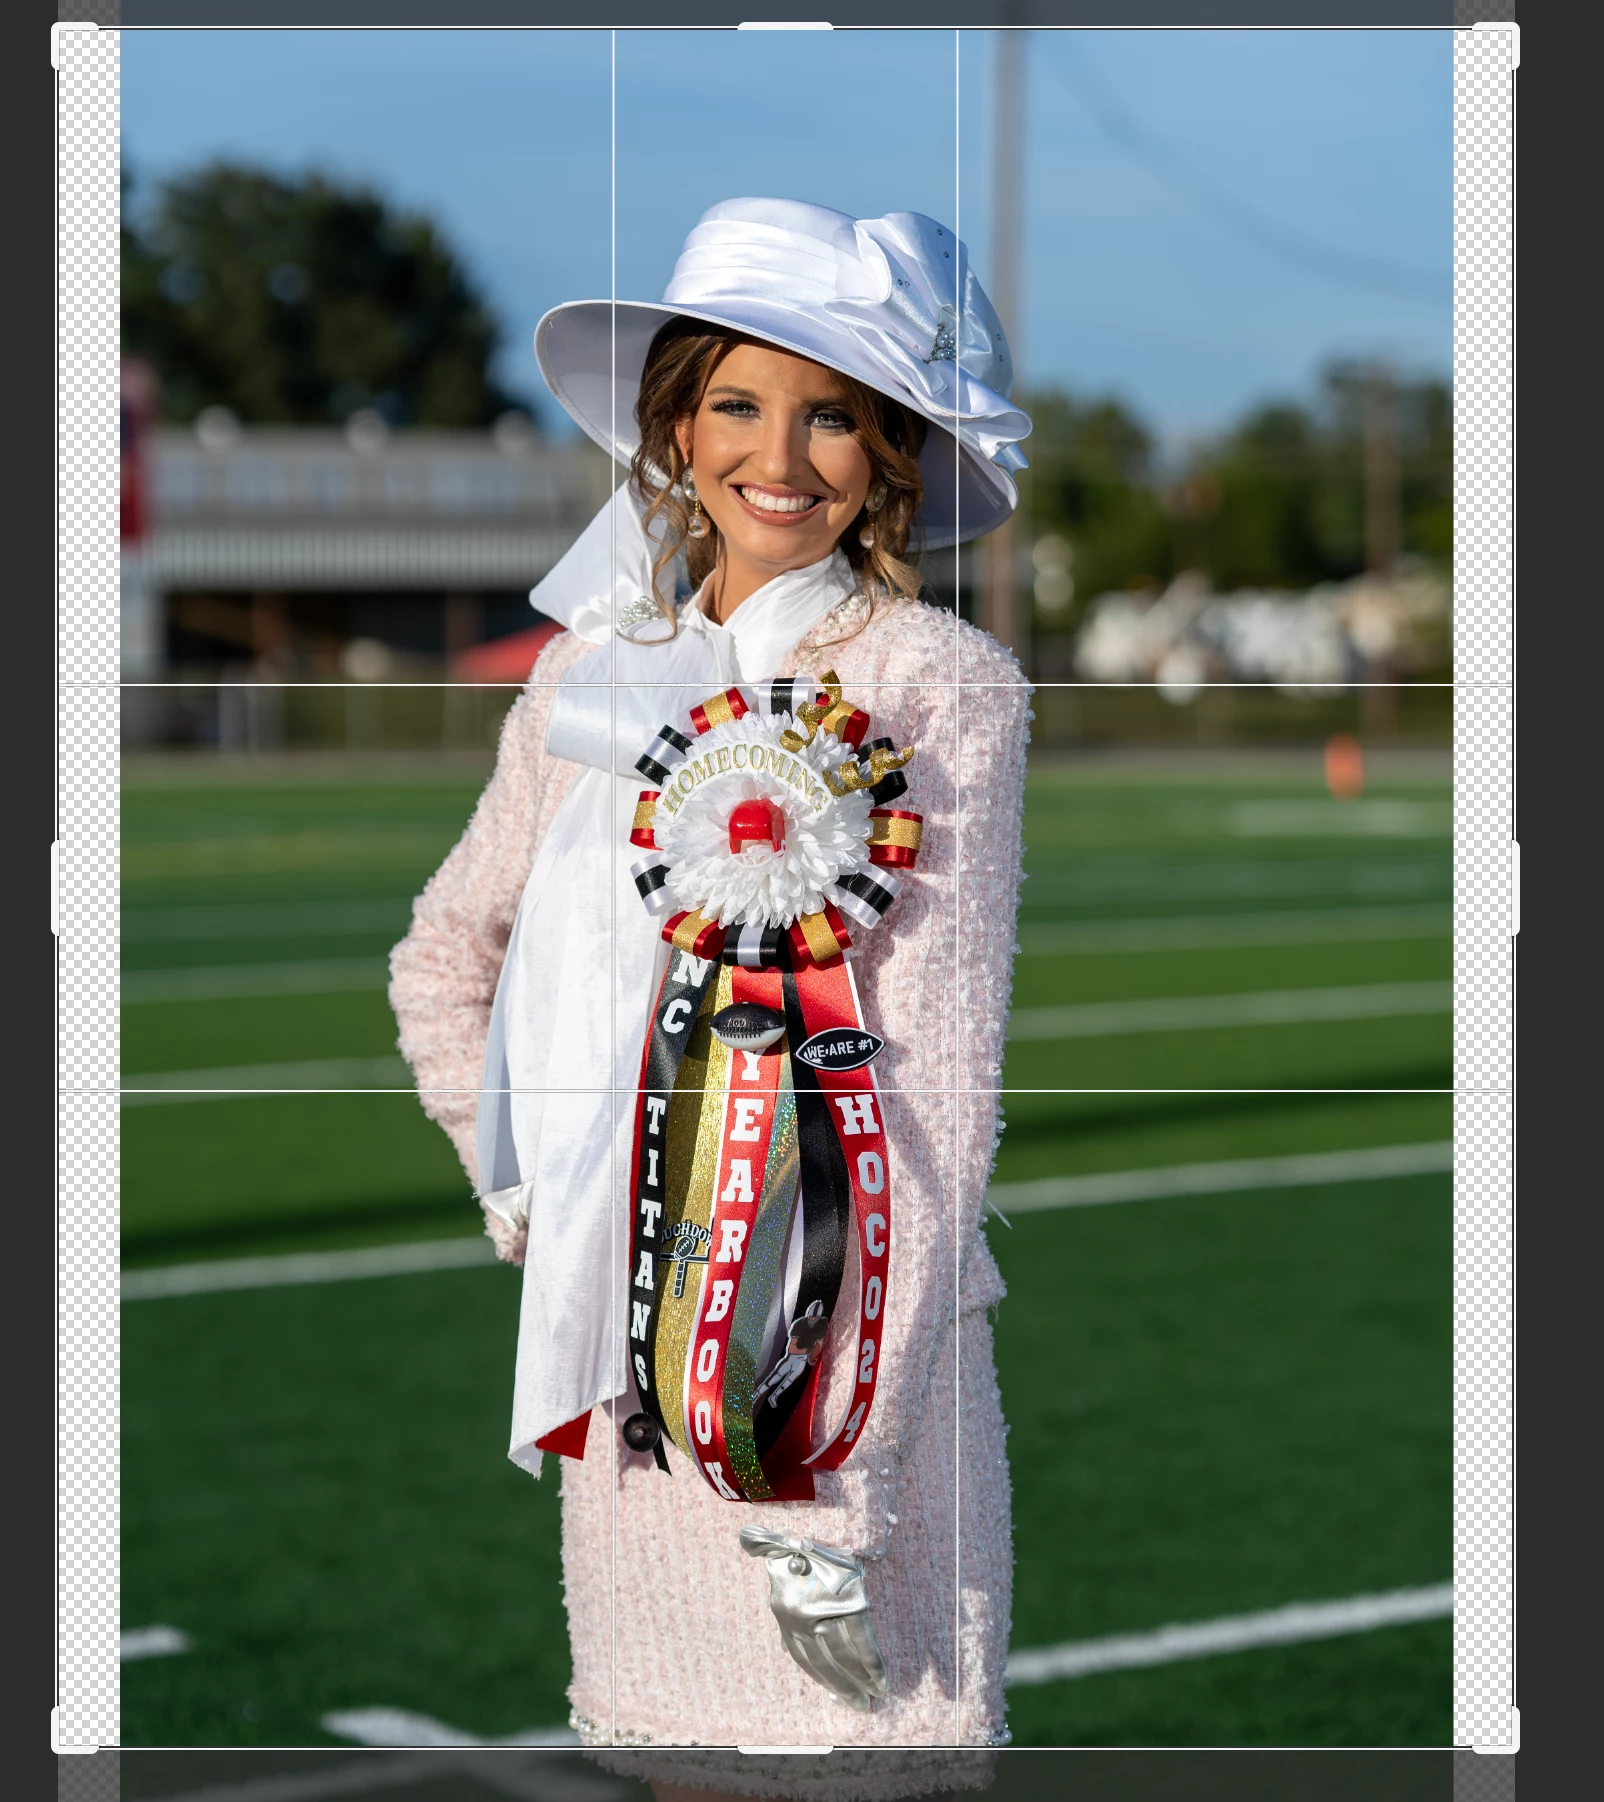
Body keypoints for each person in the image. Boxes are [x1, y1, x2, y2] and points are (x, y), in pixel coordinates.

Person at [389, 197, 1033, 1798]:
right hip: (640, 1384)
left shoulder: (939, 685)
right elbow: (444, 953)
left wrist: (834, 1492)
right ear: (674, 426)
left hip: (852, 1398)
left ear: (892, 451)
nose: (781, 455)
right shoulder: (586, 674)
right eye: (738, 402)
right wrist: (536, 1182)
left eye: (835, 415)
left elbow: (936, 1105)